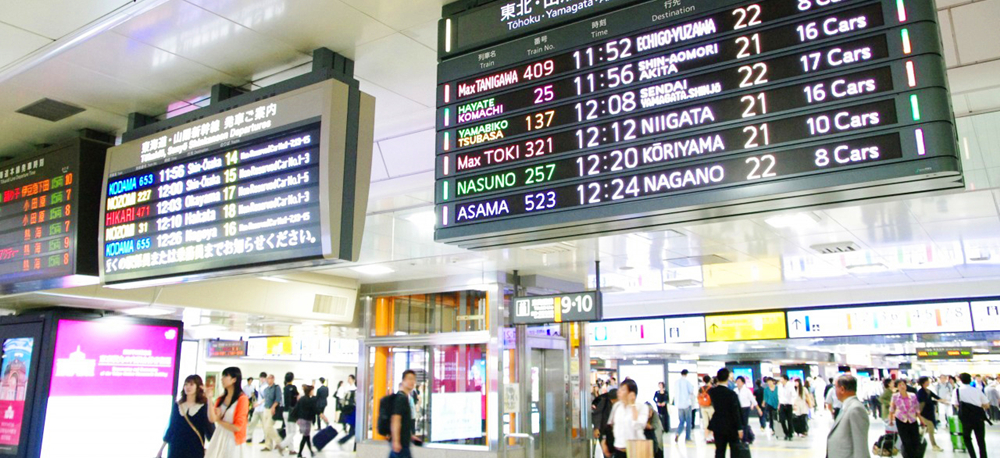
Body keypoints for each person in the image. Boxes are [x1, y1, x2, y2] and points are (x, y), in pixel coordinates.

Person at [158, 375, 213, 458]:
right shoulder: (178, 405)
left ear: (198, 387)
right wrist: (161, 449)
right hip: (176, 448)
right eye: (186, 384)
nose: (188, 387)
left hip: (194, 449)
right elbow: (172, 427)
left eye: (191, 384)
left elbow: (209, 429)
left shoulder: (203, 407)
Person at [205, 367, 249, 458]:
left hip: (233, 440)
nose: (222, 379)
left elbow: (237, 427)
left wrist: (219, 421)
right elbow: (212, 419)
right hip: (219, 437)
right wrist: (209, 398)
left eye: (225, 376)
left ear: (234, 379)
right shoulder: (221, 399)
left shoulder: (242, 399)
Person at [826, 375, 870, 458]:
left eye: (836, 388)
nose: (835, 391)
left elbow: (860, 445)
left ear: (842, 389)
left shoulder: (855, 409)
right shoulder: (846, 406)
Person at [605, 379, 650, 458]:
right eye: (619, 389)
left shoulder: (642, 407)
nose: (619, 392)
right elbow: (610, 425)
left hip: (636, 450)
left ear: (631, 393)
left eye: (623, 389)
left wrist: (632, 405)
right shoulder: (617, 406)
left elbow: (638, 425)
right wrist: (604, 440)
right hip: (618, 449)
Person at [707, 369, 743, 458]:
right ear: (727, 378)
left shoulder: (712, 392)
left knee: (719, 451)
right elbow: (736, 412)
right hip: (732, 426)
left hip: (718, 425)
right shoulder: (732, 394)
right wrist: (740, 428)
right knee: (734, 451)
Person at [953, 372, 990, 458]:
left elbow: (956, 404)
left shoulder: (957, 391)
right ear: (970, 380)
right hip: (978, 418)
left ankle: (972, 456)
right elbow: (987, 405)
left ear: (960, 380)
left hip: (966, 419)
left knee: (967, 438)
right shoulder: (977, 390)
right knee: (981, 440)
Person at [291, 384, 330, 457]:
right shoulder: (310, 400)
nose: (313, 392)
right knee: (305, 437)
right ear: (309, 391)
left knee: (306, 436)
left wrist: (295, 419)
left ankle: (310, 452)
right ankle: (300, 453)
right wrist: (324, 417)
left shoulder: (302, 399)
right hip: (306, 421)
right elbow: (316, 410)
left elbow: (296, 409)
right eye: (312, 390)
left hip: (301, 420)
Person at [888, 379, 921, 458]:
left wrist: (921, 420)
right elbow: (892, 409)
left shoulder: (913, 395)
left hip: (912, 419)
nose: (902, 386)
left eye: (903, 384)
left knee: (916, 440)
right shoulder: (895, 396)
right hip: (901, 420)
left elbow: (917, 408)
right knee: (906, 441)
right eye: (900, 385)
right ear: (897, 387)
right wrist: (890, 420)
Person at [390, 370, 418, 458]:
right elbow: (396, 419)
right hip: (401, 445)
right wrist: (396, 441)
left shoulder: (405, 398)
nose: (412, 382)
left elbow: (403, 422)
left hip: (404, 443)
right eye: (409, 379)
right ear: (403, 381)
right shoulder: (400, 399)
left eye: (414, 379)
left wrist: (410, 436)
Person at [916, 376, 944, 451]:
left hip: (929, 413)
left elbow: (936, 397)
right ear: (923, 382)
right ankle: (934, 445)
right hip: (923, 414)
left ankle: (917, 442)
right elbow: (921, 403)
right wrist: (918, 414)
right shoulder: (920, 392)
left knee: (925, 429)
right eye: (927, 381)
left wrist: (944, 401)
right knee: (930, 427)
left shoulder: (928, 391)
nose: (929, 382)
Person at [245, 372, 270, 444]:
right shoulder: (260, 386)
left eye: (263, 378)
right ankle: (249, 437)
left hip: (263, 409)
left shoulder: (266, 387)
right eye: (261, 378)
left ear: (265, 378)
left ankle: (266, 438)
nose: (262, 379)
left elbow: (266, 398)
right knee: (252, 422)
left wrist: (258, 403)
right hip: (257, 408)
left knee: (265, 424)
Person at [734, 376, 761, 443]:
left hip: (745, 408)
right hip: (737, 409)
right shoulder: (735, 390)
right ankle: (742, 437)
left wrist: (758, 408)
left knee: (744, 423)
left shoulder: (747, 390)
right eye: (737, 381)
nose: (738, 383)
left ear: (743, 382)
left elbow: (753, 400)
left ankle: (745, 439)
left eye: (739, 381)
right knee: (738, 423)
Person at [279, 372, 300, 453]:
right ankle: (282, 445)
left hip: (284, 411)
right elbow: (297, 397)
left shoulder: (285, 388)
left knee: (288, 431)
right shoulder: (293, 387)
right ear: (292, 379)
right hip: (291, 412)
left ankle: (291, 449)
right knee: (293, 431)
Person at [673, 369, 695, 442]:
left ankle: (677, 433)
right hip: (686, 404)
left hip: (679, 405)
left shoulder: (676, 382)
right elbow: (691, 391)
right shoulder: (687, 382)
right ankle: (687, 437)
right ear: (686, 374)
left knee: (681, 421)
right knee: (688, 421)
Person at [777, 375, 795, 441]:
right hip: (782, 404)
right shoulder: (779, 386)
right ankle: (786, 433)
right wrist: (779, 404)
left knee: (789, 420)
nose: (780, 380)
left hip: (789, 404)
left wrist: (793, 403)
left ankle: (790, 434)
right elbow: (779, 395)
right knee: (782, 420)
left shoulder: (790, 386)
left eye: (781, 379)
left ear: (785, 379)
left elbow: (793, 395)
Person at [699, 375, 716, 444]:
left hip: (703, 407)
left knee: (705, 423)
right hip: (710, 407)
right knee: (713, 422)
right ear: (710, 380)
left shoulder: (701, 388)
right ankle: (712, 437)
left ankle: (706, 437)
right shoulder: (712, 388)